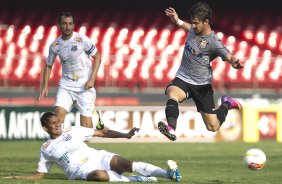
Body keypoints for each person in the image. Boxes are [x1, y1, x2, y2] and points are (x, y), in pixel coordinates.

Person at [4, 112, 181, 182]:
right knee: (100, 176)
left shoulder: (73, 130)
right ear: (45, 128)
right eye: (53, 124)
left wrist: (125, 135)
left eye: (58, 122)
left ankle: (169, 175)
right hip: (80, 171)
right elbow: (39, 175)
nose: (57, 125)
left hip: (97, 157)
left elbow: (102, 133)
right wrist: (17, 177)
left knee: (125, 163)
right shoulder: (47, 148)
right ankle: (137, 180)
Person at [158, 2, 244, 141]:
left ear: (206, 22)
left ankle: (227, 103)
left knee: (213, 127)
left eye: (196, 23)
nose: (193, 26)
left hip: (202, 85)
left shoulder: (214, 42)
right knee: (172, 93)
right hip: (183, 78)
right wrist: (177, 20)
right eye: (192, 22)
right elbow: (188, 27)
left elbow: (228, 55)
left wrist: (234, 62)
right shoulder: (194, 29)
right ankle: (171, 129)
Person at [37, 12, 102, 128]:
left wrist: (92, 79)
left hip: (84, 86)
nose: (68, 27)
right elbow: (48, 65)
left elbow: (97, 56)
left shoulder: (82, 40)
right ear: (59, 25)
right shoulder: (55, 45)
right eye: (65, 24)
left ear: (73, 25)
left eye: (70, 24)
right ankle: (59, 145)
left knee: (86, 130)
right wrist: (45, 85)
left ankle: (93, 120)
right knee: (58, 118)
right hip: (66, 85)